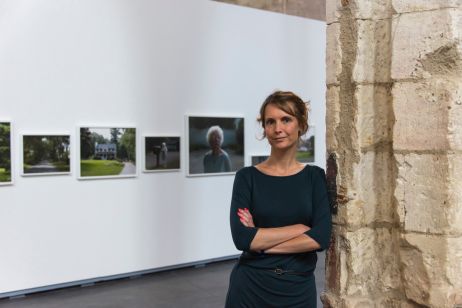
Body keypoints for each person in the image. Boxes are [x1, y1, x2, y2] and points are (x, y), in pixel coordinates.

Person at [225, 91, 332, 307]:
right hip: (250, 287)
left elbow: (320, 237)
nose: (278, 129)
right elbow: (242, 239)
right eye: (270, 122)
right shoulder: (247, 177)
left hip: (297, 289)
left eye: (286, 119)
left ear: (301, 125)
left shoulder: (314, 177)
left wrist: (261, 244)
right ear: (264, 129)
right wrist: (300, 228)